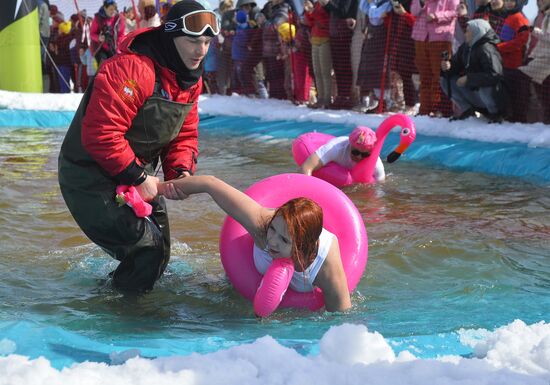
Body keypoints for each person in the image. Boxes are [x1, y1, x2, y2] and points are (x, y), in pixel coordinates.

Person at [58, 0, 220, 293]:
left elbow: (184, 134)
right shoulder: (132, 69)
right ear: (171, 36)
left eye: (207, 42)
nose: (201, 50)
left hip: (136, 174)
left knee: (161, 252)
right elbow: (101, 134)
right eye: (193, 41)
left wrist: (180, 172)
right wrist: (140, 178)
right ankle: (121, 320)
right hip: (89, 176)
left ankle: (120, 294)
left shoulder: (188, 80)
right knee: (146, 249)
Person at [158, 175, 352, 312]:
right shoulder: (262, 224)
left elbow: (340, 319)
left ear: (302, 246)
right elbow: (211, 184)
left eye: (284, 240)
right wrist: (158, 188)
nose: (272, 241)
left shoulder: (324, 265)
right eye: (273, 230)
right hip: (249, 274)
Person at [440, 18, 508, 123]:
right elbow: (456, 64)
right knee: (445, 80)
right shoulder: (466, 47)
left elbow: (495, 75)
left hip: (493, 96)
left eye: (468, 31)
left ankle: (495, 114)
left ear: (477, 32)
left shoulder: (487, 49)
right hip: (475, 93)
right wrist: (448, 66)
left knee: (485, 85)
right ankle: (467, 111)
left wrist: (469, 78)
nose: (465, 34)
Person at [300, 126, 385, 182]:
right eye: (356, 152)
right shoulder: (335, 148)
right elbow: (307, 167)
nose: (359, 157)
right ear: (350, 144)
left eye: (364, 155)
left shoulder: (375, 162)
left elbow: (380, 186)